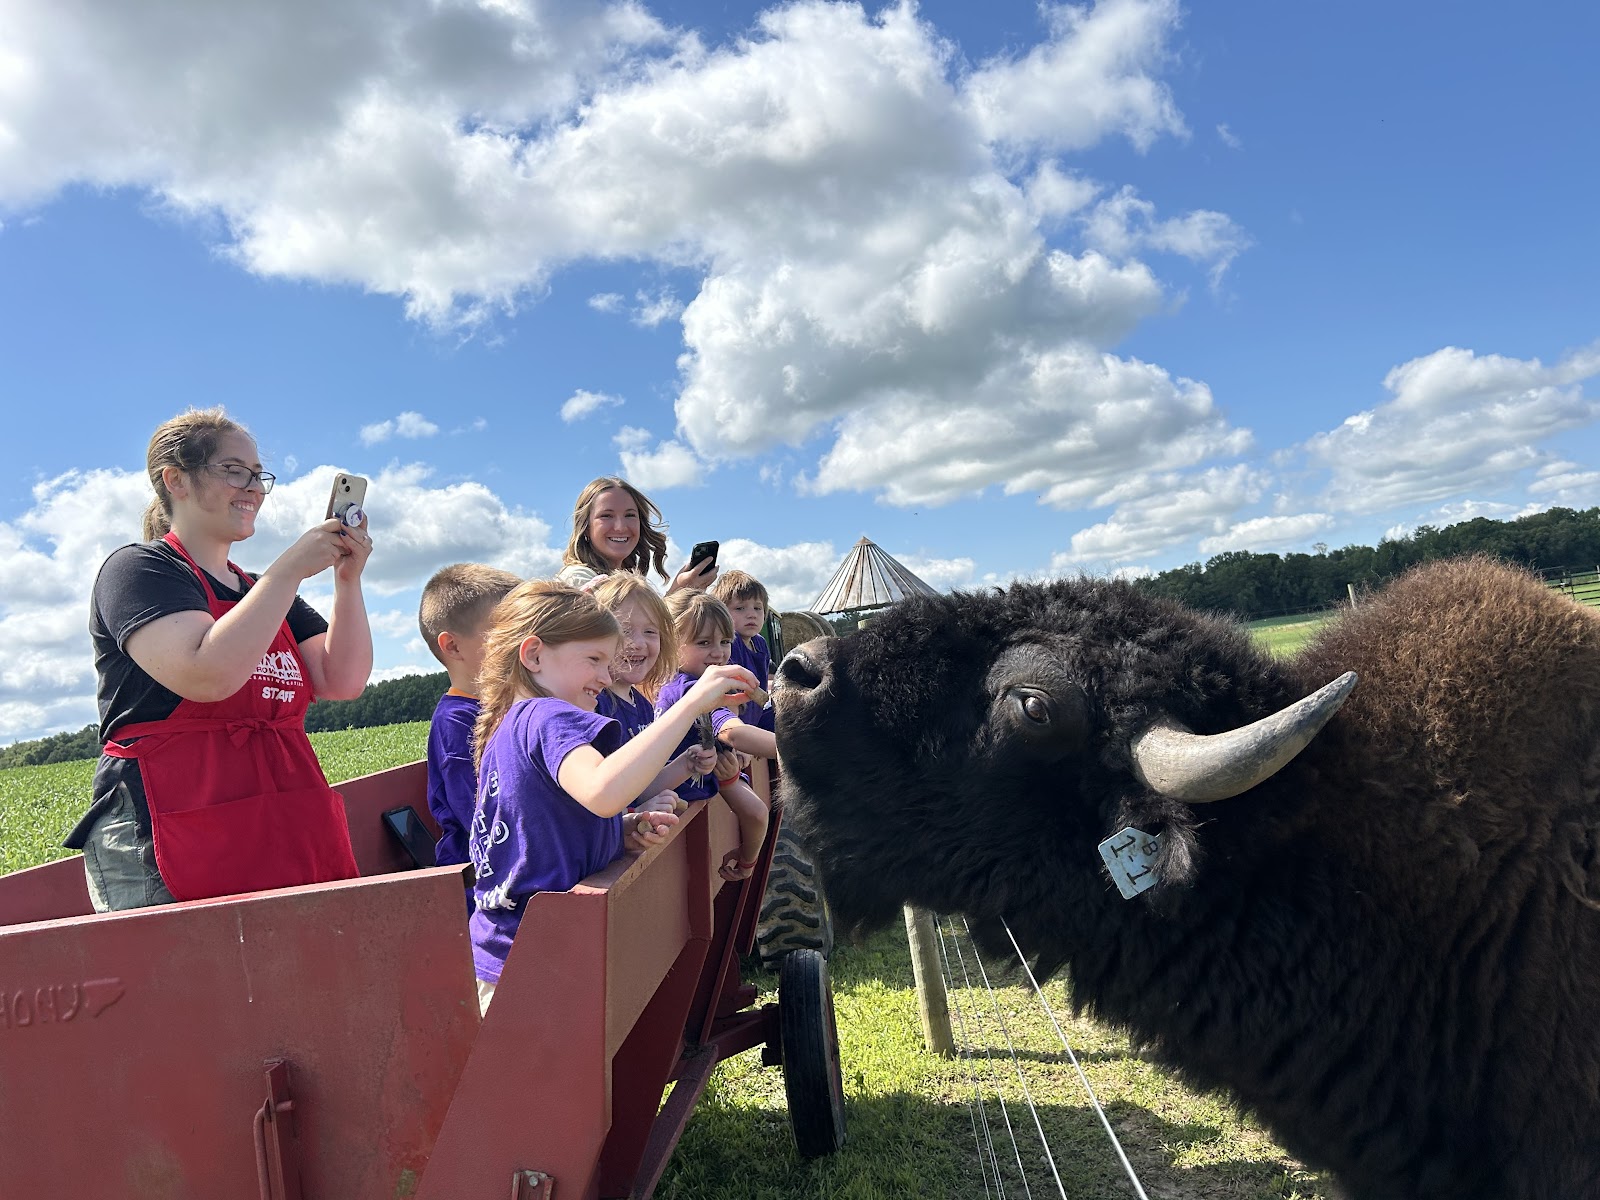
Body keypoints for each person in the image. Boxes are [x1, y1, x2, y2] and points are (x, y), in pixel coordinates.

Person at [69, 407, 374, 910]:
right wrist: (290, 569)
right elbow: (207, 674)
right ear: (177, 481)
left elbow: (342, 679)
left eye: (258, 475)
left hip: (281, 823)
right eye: (234, 471)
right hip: (167, 831)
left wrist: (348, 578)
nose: (253, 487)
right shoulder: (138, 570)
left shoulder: (263, 593)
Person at [469, 580, 757, 1014]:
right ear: (533, 655)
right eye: (594, 659)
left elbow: (544, 831)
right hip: (533, 964)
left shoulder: (511, 725)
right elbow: (603, 791)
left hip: (511, 955)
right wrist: (691, 704)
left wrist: (619, 831)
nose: (605, 677)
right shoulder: (548, 716)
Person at [656, 592, 773, 882]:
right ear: (672, 644)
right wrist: (797, 749)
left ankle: (747, 865)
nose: (719, 653)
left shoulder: (690, 684)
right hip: (683, 789)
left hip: (709, 773)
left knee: (757, 813)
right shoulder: (688, 689)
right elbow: (731, 732)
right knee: (757, 813)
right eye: (703, 643)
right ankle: (746, 865)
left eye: (724, 642)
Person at [418, 563, 521, 871]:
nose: (522, 643)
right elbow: (483, 820)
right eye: (505, 632)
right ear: (452, 646)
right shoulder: (457, 722)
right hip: (483, 886)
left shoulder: (515, 706)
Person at [589, 574, 717, 810]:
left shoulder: (643, 706)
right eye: (624, 630)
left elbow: (643, 786)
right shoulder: (593, 705)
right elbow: (595, 792)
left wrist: (686, 765)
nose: (638, 643)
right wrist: (631, 817)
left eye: (650, 632)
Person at [555, 476, 717, 594]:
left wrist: (683, 590)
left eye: (630, 515)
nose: (620, 527)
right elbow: (624, 633)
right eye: (606, 516)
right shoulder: (577, 579)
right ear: (585, 527)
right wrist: (679, 593)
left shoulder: (634, 582)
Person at [710, 569, 777, 802]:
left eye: (757, 608)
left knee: (794, 719)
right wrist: (741, 744)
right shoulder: (732, 644)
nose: (751, 615)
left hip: (755, 717)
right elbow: (729, 694)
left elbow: (761, 693)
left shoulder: (760, 643)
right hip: (730, 722)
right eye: (740, 609)